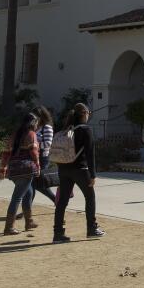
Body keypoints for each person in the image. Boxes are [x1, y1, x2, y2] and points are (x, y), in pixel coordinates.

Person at [52, 102, 104, 242]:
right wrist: (93, 174)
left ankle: (58, 233)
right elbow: (90, 154)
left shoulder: (66, 130)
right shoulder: (86, 130)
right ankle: (91, 228)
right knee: (90, 197)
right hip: (80, 169)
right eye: (88, 113)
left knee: (62, 201)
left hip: (64, 169)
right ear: (84, 114)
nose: (89, 115)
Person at [0, 113, 40, 235]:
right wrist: (38, 166)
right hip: (26, 169)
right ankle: (9, 227)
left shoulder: (14, 135)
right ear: (33, 123)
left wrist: (2, 169)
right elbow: (34, 152)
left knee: (29, 192)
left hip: (14, 170)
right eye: (37, 123)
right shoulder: (31, 134)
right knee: (17, 197)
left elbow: (6, 153)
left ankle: (29, 221)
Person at [31, 106, 58, 204]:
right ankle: (27, 208)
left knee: (37, 183)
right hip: (33, 157)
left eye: (35, 116)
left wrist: (33, 145)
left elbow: (48, 144)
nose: (33, 118)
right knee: (33, 184)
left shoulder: (47, 127)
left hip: (43, 158)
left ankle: (55, 200)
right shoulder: (35, 127)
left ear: (41, 116)